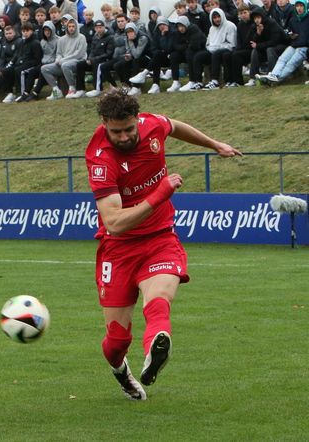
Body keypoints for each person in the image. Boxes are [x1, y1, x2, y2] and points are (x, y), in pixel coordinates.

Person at [84, 89, 242, 401]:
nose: (126, 136)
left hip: (160, 239)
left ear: (137, 120)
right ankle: (122, 371)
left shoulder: (152, 125)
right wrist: (159, 194)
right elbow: (114, 222)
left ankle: (155, 348)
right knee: (116, 342)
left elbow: (176, 126)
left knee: (158, 299)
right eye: (117, 132)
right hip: (118, 249)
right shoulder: (100, 159)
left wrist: (214, 144)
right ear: (104, 123)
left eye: (130, 129)